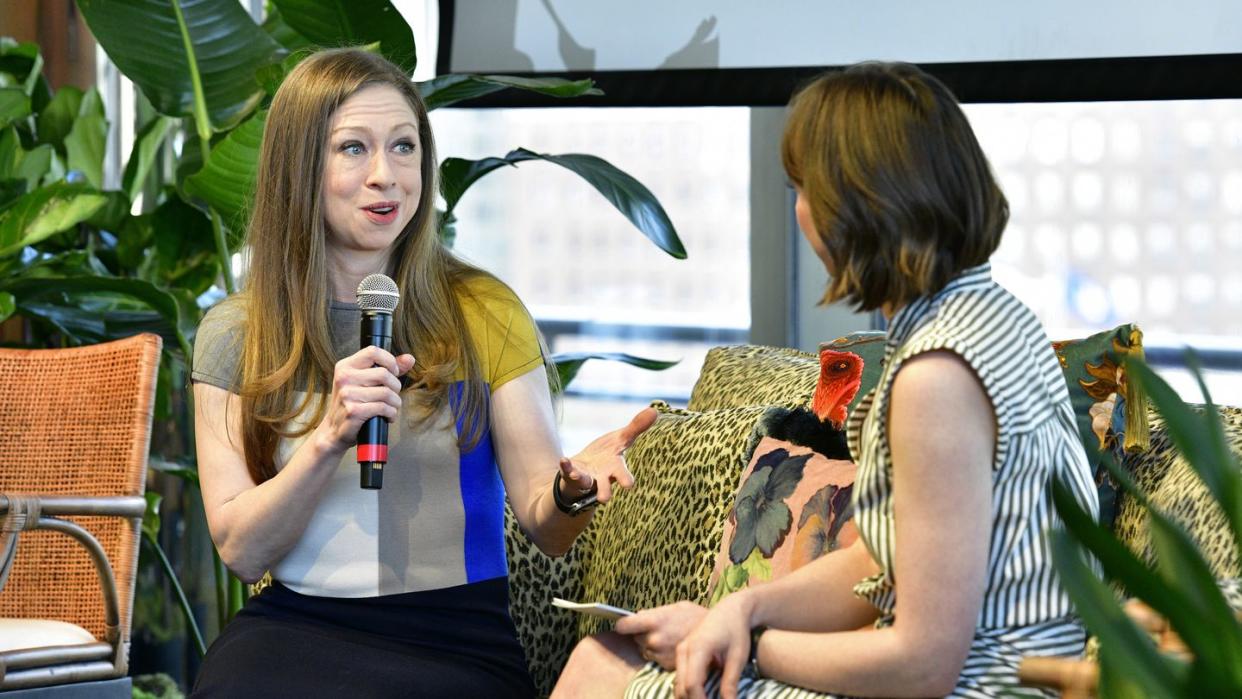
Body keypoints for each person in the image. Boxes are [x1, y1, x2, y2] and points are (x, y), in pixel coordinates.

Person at [552, 61, 1100, 699]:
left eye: (803, 188)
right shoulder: (993, 316)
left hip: (983, 689)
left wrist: (748, 646)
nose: (801, 212)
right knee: (609, 654)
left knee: (601, 669)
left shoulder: (937, 378)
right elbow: (881, 560)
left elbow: (925, 666)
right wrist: (742, 612)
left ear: (857, 204)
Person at [188, 47, 655, 698]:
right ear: (300, 167)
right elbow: (241, 549)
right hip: (295, 627)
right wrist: (329, 436)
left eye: (404, 147)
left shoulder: (482, 311)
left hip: (455, 638)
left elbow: (546, 528)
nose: (387, 175)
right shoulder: (238, 333)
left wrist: (574, 489)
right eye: (354, 148)